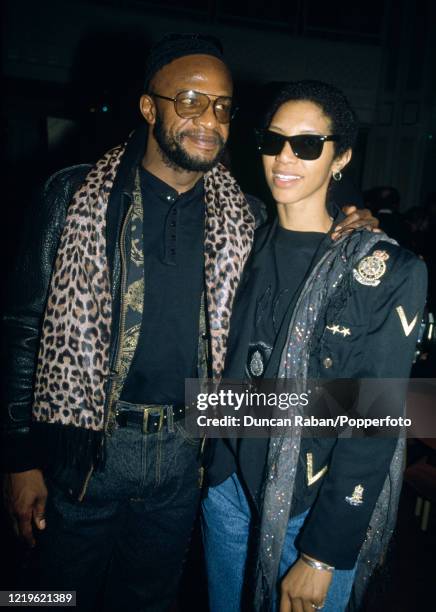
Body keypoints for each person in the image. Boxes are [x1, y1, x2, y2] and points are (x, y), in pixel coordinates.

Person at [1, 35, 377, 611]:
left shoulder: (248, 217)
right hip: (82, 450)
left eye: (223, 106)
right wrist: (20, 458)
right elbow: (22, 329)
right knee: (48, 594)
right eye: (191, 101)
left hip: (186, 453)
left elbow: (311, 241)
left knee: (148, 599)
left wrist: (355, 218)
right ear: (150, 108)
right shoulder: (71, 195)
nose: (210, 119)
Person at [203, 81, 427, 612]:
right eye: (274, 140)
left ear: (341, 157)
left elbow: (375, 415)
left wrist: (323, 554)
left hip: (311, 504)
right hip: (226, 487)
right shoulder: (240, 238)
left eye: (307, 145)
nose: (285, 157)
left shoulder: (386, 270)